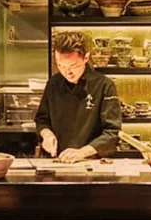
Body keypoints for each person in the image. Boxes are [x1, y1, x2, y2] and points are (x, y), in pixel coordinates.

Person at [35, 31, 121, 162]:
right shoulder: (53, 84)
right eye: (61, 66)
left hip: (92, 162)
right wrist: (47, 135)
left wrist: (82, 153)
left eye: (73, 66)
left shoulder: (104, 85)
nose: (67, 72)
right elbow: (42, 119)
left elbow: (112, 133)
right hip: (57, 161)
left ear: (86, 58)